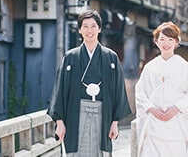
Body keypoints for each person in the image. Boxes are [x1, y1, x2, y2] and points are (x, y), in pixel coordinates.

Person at [47, 10, 132, 156]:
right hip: (75, 113)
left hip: (103, 114)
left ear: (99, 29)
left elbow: (118, 91)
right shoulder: (71, 57)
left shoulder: (111, 57)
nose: (89, 30)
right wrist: (59, 122)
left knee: (100, 152)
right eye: (85, 26)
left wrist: (115, 122)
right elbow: (60, 90)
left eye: (93, 26)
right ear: (79, 30)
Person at [135, 21, 188, 157]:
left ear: (176, 42)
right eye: (162, 39)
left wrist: (176, 108)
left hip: (177, 124)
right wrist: (151, 108)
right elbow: (140, 91)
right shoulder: (150, 67)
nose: (166, 43)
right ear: (156, 41)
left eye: (170, 39)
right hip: (153, 124)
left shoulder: (184, 66)